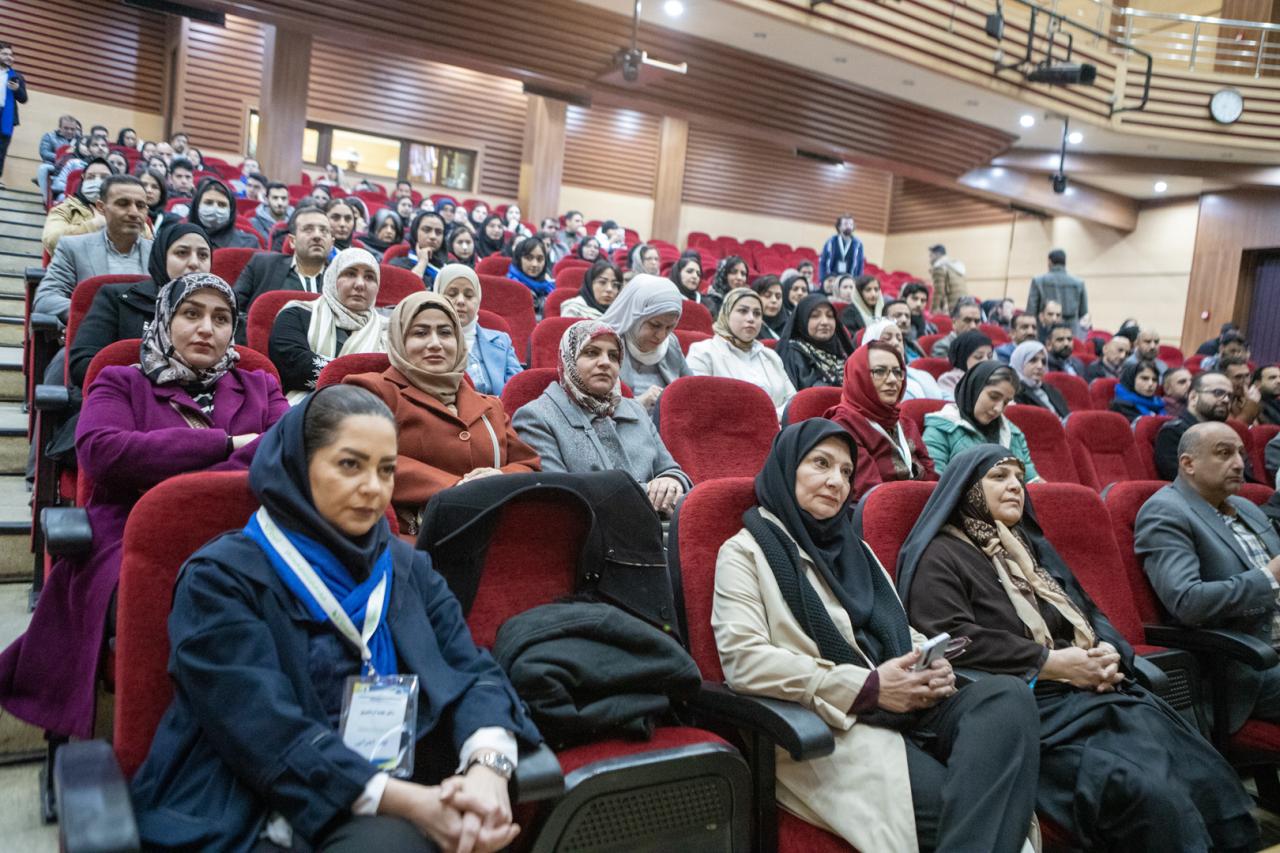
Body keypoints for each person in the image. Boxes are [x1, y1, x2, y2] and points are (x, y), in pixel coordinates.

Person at [129, 384, 540, 852]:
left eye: (386, 469)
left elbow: (472, 671)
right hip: (257, 800)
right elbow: (262, 730)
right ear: (298, 466)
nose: (373, 488)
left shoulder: (405, 567)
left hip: (402, 781)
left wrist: (488, 769)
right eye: (350, 465)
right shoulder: (221, 578)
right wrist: (412, 803)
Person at [898, 445, 1259, 853]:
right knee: (1149, 793)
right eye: (999, 477)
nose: (1016, 486)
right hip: (1032, 713)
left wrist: (1108, 651)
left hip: (1095, 696)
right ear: (967, 489)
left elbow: (1088, 611)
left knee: (1205, 772)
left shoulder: (1029, 548)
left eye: (1019, 477)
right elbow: (954, 638)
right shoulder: (941, 554)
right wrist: (1049, 662)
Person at [712, 421, 1040, 852]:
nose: (837, 481)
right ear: (787, 468)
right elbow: (745, 660)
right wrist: (869, 688)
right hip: (835, 724)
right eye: (821, 464)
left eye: (847, 472)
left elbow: (900, 629)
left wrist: (930, 661)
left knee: (1008, 697)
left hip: (907, 707)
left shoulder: (856, 548)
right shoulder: (744, 552)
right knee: (984, 811)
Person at [0, 272, 288, 741]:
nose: (207, 328)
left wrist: (167, 470)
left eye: (221, 319)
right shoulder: (121, 380)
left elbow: (287, 454)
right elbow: (103, 451)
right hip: (132, 532)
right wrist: (229, 444)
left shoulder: (261, 385)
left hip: (246, 531)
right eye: (191, 314)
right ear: (164, 319)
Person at [344, 294, 539, 533]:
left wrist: (499, 476)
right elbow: (364, 458)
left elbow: (529, 466)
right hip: (410, 538)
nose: (435, 343)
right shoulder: (373, 391)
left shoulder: (491, 406)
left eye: (445, 333)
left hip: (492, 535)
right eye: (420, 333)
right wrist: (460, 487)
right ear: (398, 339)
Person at [1138, 421, 1280, 731]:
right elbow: (1187, 602)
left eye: (1241, 454)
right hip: (1247, 667)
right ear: (1188, 464)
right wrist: (1268, 578)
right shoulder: (1165, 512)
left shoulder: (1245, 507)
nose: (1239, 464)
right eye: (1224, 453)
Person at [513, 321, 690, 515]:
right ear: (569, 359)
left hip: (659, 525)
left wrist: (671, 482)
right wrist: (648, 492)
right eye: (591, 352)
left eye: (613, 356)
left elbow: (672, 470)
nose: (605, 362)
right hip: (591, 529)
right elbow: (561, 495)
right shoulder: (537, 417)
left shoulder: (636, 410)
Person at [69, 223, 213, 388]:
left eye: (203, 255)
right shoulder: (117, 298)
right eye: (182, 253)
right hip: (125, 395)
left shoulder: (223, 310)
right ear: (162, 257)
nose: (194, 263)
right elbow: (83, 365)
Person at [270, 248, 387, 402]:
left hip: (371, 409)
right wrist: (365, 377)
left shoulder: (388, 330)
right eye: (350, 274)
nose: (360, 284)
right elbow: (294, 365)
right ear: (332, 278)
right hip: (306, 405)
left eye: (369, 277)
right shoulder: (295, 314)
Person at [825, 341, 938, 501]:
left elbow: (931, 475)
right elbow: (872, 494)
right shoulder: (845, 425)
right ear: (859, 376)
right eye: (879, 371)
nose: (892, 380)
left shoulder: (905, 423)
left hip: (926, 506)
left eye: (897, 372)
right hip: (885, 510)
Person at [35, 175, 153, 323]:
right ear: (101, 207)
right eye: (123, 204)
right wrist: (97, 314)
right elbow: (46, 299)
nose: (134, 212)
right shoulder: (73, 248)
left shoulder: (160, 253)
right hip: (93, 330)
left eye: (140, 206)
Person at [687, 288, 796, 418]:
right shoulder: (703, 352)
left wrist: (774, 417)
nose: (751, 318)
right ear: (727, 313)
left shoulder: (771, 356)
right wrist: (768, 417)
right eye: (743, 311)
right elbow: (701, 405)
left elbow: (793, 401)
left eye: (757, 313)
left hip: (780, 427)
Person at [922, 362, 1039, 479]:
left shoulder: (1014, 433)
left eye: (1005, 402)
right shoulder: (941, 429)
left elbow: (1032, 481)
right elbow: (935, 485)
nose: (998, 409)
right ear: (974, 388)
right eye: (993, 397)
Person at [233, 207, 334, 331]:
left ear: (331, 244)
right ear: (292, 241)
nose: (317, 236)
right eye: (308, 230)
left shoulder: (340, 278)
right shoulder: (262, 265)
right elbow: (233, 309)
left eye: (324, 231)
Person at [601, 273, 691, 412]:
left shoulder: (670, 343)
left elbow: (692, 390)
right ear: (635, 315)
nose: (661, 336)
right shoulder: (605, 343)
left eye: (669, 327)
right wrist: (639, 403)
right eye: (655, 325)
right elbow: (594, 408)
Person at [431, 264, 521, 396]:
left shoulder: (502, 341)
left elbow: (517, 391)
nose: (461, 301)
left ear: (478, 300)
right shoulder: (429, 343)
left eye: (468, 295)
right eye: (452, 294)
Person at [1153, 372, 1244, 481]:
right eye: (1218, 393)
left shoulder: (1229, 434)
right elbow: (1186, 481)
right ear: (1193, 397)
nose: (1226, 400)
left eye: (1230, 396)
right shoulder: (1172, 433)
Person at [776, 294, 854, 391]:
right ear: (803, 320)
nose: (825, 322)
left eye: (830, 316)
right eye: (815, 316)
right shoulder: (793, 353)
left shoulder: (840, 348)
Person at [41, 157, 113, 253]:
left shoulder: (125, 209)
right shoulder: (64, 208)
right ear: (83, 180)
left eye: (104, 177)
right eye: (90, 177)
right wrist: (94, 225)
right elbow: (52, 239)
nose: (97, 182)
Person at [862, 319, 945, 402]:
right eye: (887, 338)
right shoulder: (867, 380)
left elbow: (945, 398)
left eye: (899, 339)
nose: (896, 343)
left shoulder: (924, 375)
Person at [1026, 249, 1088, 336]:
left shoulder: (1038, 281)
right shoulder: (1079, 283)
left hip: (1044, 331)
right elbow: (1084, 313)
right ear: (1064, 262)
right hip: (1071, 331)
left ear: (1049, 262)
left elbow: (1031, 311)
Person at [1008, 341, 1069, 419]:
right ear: (1020, 363)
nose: (1040, 366)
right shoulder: (1013, 393)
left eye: (1043, 362)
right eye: (1033, 360)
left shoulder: (1052, 390)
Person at [392, 211, 448, 286]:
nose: (433, 236)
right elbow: (407, 288)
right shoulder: (398, 264)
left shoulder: (450, 265)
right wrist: (422, 263)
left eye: (439, 232)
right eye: (426, 230)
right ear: (415, 232)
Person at [0, 42, 27, 188]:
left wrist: (17, 89)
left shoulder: (17, 77)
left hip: (7, 116)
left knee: (1, 149)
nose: (9, 57)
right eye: (5, 54)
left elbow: (23, 99)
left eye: (11, 55)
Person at [936, 331, 992, 401]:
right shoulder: (949, 380)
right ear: (962, 358)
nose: (986, 361)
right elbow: (953, 405)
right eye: (978, 357)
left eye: (990, 356)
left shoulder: (995, 377)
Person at [36, 114, 79, 198]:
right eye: (66, 128)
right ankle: (46, 198)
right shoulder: (49, 136)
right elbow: (44, 153)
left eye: (72, 129)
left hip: (73, 167)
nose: (69, 131)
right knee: (42, 168)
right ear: (60, 127)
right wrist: (62, 157)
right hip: (54, 166)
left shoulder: (80, 139)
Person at [818, 213, 865, 282]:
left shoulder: (858, 245)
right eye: (846, 224)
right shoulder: (830, 242)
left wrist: (858, 282)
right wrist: (823, 280)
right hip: (832, 280)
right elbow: (823, 262)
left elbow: (860, 266)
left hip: (850, 281)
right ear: (839, 227)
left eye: (851, 224)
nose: (849, 226)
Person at [506, 235, 553, 302]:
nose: (535, 264)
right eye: (529, 258)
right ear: (519, 259)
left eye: (540, 259)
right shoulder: (509, 286)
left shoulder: (549, 286)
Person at [927, 244, 966, 314]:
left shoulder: (939, 267)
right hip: (964, 303)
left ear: (937, 255)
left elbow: (939, 291)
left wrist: (933, 310)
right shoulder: (955, 266)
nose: (929, 260)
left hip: (953, 306)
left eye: (931, 256)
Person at [751, 275, 789, 341]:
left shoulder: (790, 324)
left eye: (778, 296)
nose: (774, 300)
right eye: (767, 295)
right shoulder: (747, 324)